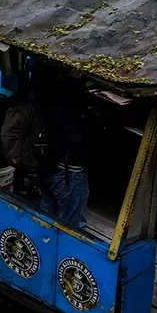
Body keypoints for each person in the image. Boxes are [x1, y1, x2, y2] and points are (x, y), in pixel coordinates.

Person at [36, 74, 90, 229]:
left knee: (46, 218)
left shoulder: (49, 105)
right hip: (67, 172)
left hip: (49, 168)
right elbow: (76, 143)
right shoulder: (72, 113)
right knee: (73, 225)